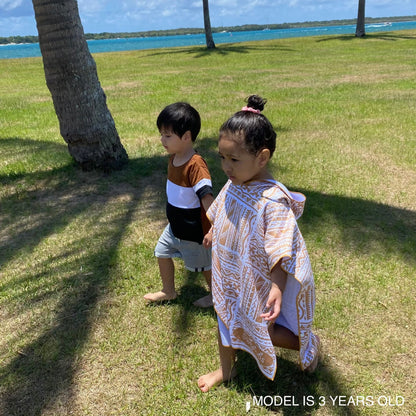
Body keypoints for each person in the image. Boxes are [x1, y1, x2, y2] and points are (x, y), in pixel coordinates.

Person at [198, 95, 320, 392]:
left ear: (262, 158)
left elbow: (281, 250)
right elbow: (225, 207)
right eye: (222, 158)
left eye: (233, 159)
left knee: (263, 330)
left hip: (258, 283)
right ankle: (226, 371)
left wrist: (277, 287)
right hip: (229, 274)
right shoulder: (236, 180)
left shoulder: (273, 201)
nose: (226, 166)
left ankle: (307, 342)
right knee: (224, 318)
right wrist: (215, 229)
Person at [144, 102, 214, 308]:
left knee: (204, 267)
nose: (162, 140)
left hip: (194, 233)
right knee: (161, 252)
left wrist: (214, 228)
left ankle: (216, 295)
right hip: (174, 228)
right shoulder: (174, 158)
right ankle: (168, 291)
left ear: (186, 137)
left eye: (167, 135)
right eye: (161, 134)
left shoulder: (196, 165)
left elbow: (207, 199)